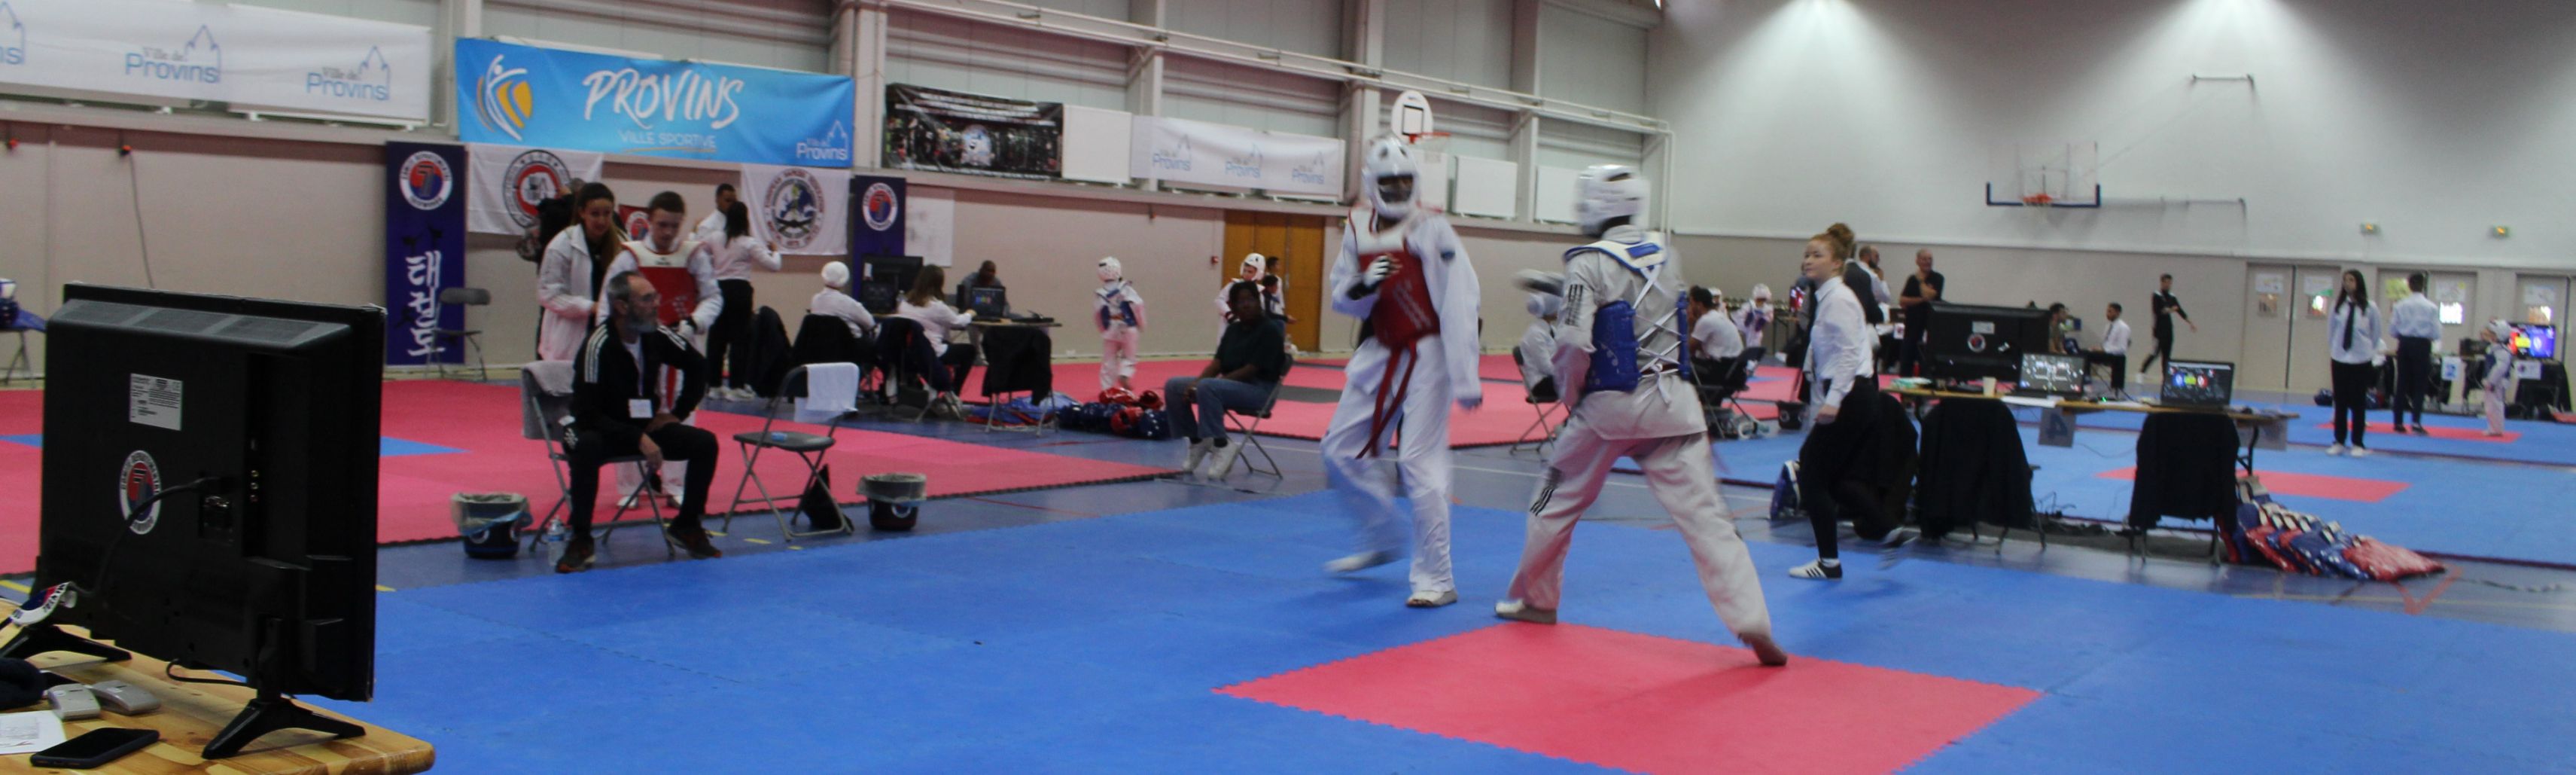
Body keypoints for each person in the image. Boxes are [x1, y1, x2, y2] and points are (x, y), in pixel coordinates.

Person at [1494, 165, 1785, 667]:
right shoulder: (1666, 254)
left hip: (1607, 411)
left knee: (1548, 501)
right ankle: (1752, 617)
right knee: (1709, 520)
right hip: (1676, 409)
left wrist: (1571, 394)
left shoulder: (1587, 262)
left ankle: (1537, 600)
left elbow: (1573, 341)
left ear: (1592, 206)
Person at [1319, 136, 1482, 609]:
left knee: (1419, 461)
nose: (1397, 190)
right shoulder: (1356, 225)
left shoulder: (1432, 228)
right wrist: (1363, 285)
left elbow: (1460, 300)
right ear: (1371, 184)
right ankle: (1382, 536)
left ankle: (1437, 578)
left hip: (1429, 351)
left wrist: (1465, 374)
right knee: (1339, 450)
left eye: (1404, 182)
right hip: (1381, 348)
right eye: (1388, 183)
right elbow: (1342, 296)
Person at [559, 271, 723, 573]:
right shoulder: (597, 345)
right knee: (586, 446)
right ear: (622, 306)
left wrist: (678, 413)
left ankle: (687, 524)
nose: (657, 304)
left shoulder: (656, 334)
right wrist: (636, 438)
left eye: (655, 297)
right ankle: (580, 538)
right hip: (599, 427)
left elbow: (698, 365)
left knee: (704, 443)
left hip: (643, 425)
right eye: (647, 299)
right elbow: (586, 412)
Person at [1789, 227, 1906, 581]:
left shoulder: (1838, 299)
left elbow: (1848, 354)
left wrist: (1834, 400)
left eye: (1818, 255)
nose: (1809, 260)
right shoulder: (1827, 297)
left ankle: (1829, 562)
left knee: (1812, 474)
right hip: (1853, 395)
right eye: (1807, 254)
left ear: (1838, 263)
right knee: (1835, 476)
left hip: (1850, 395)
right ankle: (1889, 529)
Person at [598, 191, 723, 506]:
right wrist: (610, 341)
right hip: (637, 348)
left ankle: (675, 484)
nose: (667, 232)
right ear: (649, 221)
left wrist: (695, 322)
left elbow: (713, 296)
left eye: (674, 225)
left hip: (678, 344)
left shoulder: (694, 254)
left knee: (679, 412)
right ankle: (631, 487)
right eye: (662, 225)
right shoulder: (630, 256)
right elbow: (607, 301)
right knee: (631, 412)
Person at [1167, 281, 1289, 481]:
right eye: (1241, 302)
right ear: (1233, 307)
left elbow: (1250, 370)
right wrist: (1196, 382)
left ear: (1258, 302)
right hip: (1230, 386)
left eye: (1251, 300)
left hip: (1259, 391)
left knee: (1209, 387)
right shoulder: (1233, 331)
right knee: (1174, 387)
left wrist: (1209, 385)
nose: (1246, 305)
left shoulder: (1270, 331)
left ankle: (1222, 444)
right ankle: (1197, 440)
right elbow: (1217, 364)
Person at [705, 200, 781, 400]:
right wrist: (775, 251)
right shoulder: (749, 243)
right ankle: (736, 386)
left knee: (716, 338)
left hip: (718, 289)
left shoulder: (714, 238)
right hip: (740, 292)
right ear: (745, 219)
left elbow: (699, 253)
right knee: (739, 339)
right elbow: (773, 266)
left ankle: (714, 385)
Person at [536, 183, 621, 362]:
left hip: (606, 336)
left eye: (607, 214)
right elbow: (548, 295)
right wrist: (590, 307)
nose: (602, 221)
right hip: (567, 340)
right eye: (595, 214)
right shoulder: (562, 245)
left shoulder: (620, 244)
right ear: (582, 212)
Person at [898, 264, 979, 413]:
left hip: (908, 355)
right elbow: (958, 322)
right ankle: (954, 393)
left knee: (947, 343)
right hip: (931, 353)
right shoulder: (936, 306)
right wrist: (970, 313)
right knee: (969, 351)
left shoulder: (904, 304)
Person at [2325, 270, 2381, 456]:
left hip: (2361, 359)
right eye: (2345, 280)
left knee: (2358, 402)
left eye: (2351, 280)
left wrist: (2368, 351)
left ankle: (2358, 443)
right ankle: (2339, 441)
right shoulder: (2338, 306)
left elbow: (2376, 334)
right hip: (2340, 357)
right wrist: (2336, 350)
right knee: (2340, 401)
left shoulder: (2370, 307)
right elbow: (2331, 331)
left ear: (2359, 283)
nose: (2347, 283)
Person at [2389, 272, 2440, 435]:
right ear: (2424, 286)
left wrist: (2404, 336)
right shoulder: (2431, 307)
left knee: (2402, 383)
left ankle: (2398, 422)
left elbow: (2392, 330)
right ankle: (2416, 422)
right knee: (2420, 385)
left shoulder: (2400, 305)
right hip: (2422, 345)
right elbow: (2436, 333)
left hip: (2404, 343)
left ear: (2409, 286)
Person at [1094, 257, 1147, 392]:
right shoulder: (1126, 289)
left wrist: (1103, 330)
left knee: (1109, 360)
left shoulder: (1100, 294)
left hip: (1110, 329)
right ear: (1118, 270)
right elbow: (1138, 306)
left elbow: (1098, 315)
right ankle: (1124, 373)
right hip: (1128, 327)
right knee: (1129, 357)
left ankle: (1107, 389)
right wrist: (1141, 323)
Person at [2140, 273, 2196, 379]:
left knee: (2167, 355)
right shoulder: (2157, 296)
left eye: (2169, 283)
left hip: (2168, 330)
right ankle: (2142, 372)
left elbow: (2179, 310)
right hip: (2159, 330)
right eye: (2165, 282)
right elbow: (2157, 311)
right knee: (2155, 352)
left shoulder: (2172, 297)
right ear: (2161, 283)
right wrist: (2170, 310)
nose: (2167, 285)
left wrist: (2190, 323)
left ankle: (2165, 377)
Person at [1897, 249, 1943, 376]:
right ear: (1917, 261)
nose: (1927, 262)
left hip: (1929, 324)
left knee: (1926, 359)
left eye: (1930, 259)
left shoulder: (1938, 278)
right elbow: (1902, 300)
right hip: (1912, 324)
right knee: (1907, 356)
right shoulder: (1912, 279)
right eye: (1924, 259)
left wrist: (1921, 282)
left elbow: (1930, 295)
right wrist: (1921, 299)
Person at [811, 262, 877, 341]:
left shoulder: (815, 300)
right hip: (850, 345)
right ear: (845, 279)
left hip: (820, 345)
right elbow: (870, 324)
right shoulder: (848, 303)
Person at [1218, 253, 1287, 322]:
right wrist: (1229, 315)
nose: (1246, 274)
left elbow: (1262, 310)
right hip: (1229, 323)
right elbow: (1220, 300)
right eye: (1244, 270)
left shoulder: (1260, 290)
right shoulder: (1233, 285)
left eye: (1250, 272)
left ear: (1258, 273)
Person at [1518, 293, 1562, 395]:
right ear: (1550, 310)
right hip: (1540, 383)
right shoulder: (1535, 334)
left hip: (1551, 377)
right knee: (1580, 382)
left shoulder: (1552, 329)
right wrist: (1566, 374)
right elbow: (1545, 367)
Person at [1688, 285, 1744, 364]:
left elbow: (1689, 348)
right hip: (1735, 363)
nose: (1689, 307)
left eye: (1691, 304)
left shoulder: (1706, 320)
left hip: (1721, 365)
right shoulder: (1719, 316)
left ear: (1699, 305)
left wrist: (1691, 325)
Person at [2480, 319, 2514, 437]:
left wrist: (2491, 381)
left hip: (2497, 383)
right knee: (2490, 406)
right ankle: (2494, 428)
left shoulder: (2502, 350)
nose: (2488, 334)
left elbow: (2500, 368)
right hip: (2493, 382)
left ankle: (2496, 429)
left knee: (2495, 406)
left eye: (2491, 333)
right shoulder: (2494, 348)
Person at [2095, 302, 2132, 396]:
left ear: (2117, 313)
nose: (2107, 314)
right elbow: (2106, 343)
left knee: (2120, 359)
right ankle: (2085, 383)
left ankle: (2116, 390)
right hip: (2105, 352)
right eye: (2107, 311)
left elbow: (2122, 348)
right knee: (2083, 354)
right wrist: (2099, 349)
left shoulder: (2123, 328)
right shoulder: (2108, 326)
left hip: (2114, 355)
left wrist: (2105, 350)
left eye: (2110, 312)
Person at [690, 182, 738, 247]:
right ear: (717, 200)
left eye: (734, 201)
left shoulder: (737, 223)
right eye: (728, 200)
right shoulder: (707, 226)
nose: (732, 204)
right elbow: (701, 251)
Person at [1735, 284, 1774, 354]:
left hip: (1756, 330)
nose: (1760, 302)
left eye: (1763, 300)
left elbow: (1769, 317)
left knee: (1755, 341)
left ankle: (1752, 356)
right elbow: (1739, 316)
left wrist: (1763, 320)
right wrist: (1746, 320)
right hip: (1747, 326)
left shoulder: (1767, 308)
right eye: (1759, 300)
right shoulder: (1749, 305)